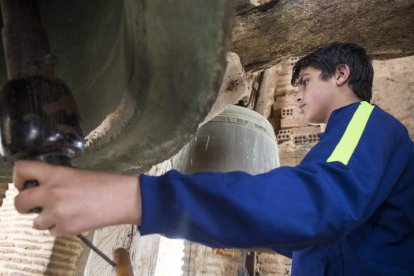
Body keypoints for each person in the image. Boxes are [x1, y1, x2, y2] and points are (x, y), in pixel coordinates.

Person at [13, 42, 414, 275]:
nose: (297, 95)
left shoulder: (363, 121)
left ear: (341, 74)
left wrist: (135, 197)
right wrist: (229, 229)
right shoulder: (349, 142)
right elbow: (316, 238)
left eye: (305, 82)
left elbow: (316, 209)